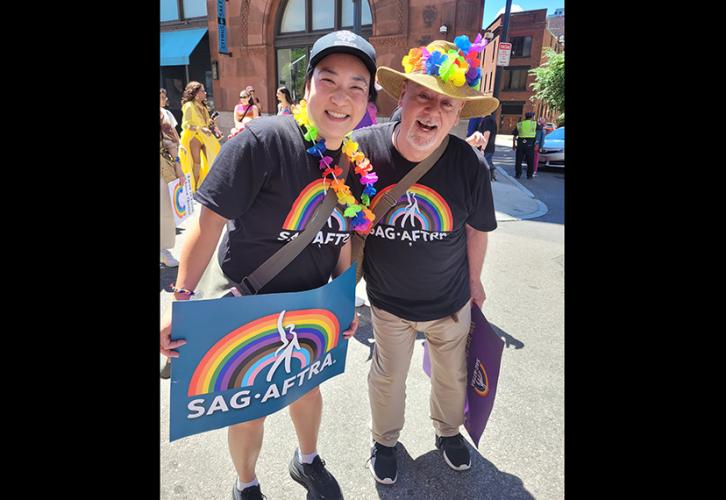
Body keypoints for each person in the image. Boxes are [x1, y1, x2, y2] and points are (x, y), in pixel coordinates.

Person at [160, 30, 377, 500]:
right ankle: (247, 483)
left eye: (357, 86)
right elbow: (208, 221)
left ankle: (307, 461)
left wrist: (344, 301)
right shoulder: (263, 140)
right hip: (249, 305)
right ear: (306, 88)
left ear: (367, 100)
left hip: (312, 305)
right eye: (329, 80)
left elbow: (342, 237)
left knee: (306, 390)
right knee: (248, 408)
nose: (342, 97)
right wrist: (181, 300)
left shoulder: (356, 168)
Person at [350, 36, 498, 484]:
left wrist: (474, 282)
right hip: (388, 303)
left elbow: (477, 228)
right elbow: (340, 227)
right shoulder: (361, 152)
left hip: (449, 300)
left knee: (451, 379)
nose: (432, 112)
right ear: (403, 97)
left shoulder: (469, 164)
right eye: (423, 97)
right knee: (387, 379)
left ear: (457, 115)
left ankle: (448, 432)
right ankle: (385, 440)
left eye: (446, 105)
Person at [179, 82, 221, 191]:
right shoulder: (188, 106)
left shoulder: (203, 106)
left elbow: (205, 123)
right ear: (196, 93)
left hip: (205, 136)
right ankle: (194, 189)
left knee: (213, 159)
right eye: (202, 91)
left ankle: (210, 186)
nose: (205, 93)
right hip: (194, 137)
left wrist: (213, 126)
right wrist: (200, 128)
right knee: (196, 164)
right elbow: (185, 125)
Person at [160, 110, 187, 271]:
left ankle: (163, 251)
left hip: (164, 170)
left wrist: (179, 169)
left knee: (164, 211)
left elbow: (173, 146)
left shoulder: (163, 119)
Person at [466, 108, 499, 181]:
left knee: (483, 167)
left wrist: (482, 149)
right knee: (486, 164)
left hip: (486, 148)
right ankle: (491, 174)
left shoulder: (487, 120)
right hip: (488, 148)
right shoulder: (490, 120)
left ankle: (487, 178)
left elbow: (486, 135)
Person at [511, 111, 537, 179]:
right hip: (530, 143)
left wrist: (513, 145)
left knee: (519, 160)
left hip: (521, 143)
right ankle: (529, 175)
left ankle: (518, 174)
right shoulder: (534, 124)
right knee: (530, 160)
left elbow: (514, 135)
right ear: (531, 117)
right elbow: (539, 133)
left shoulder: (520, 124)